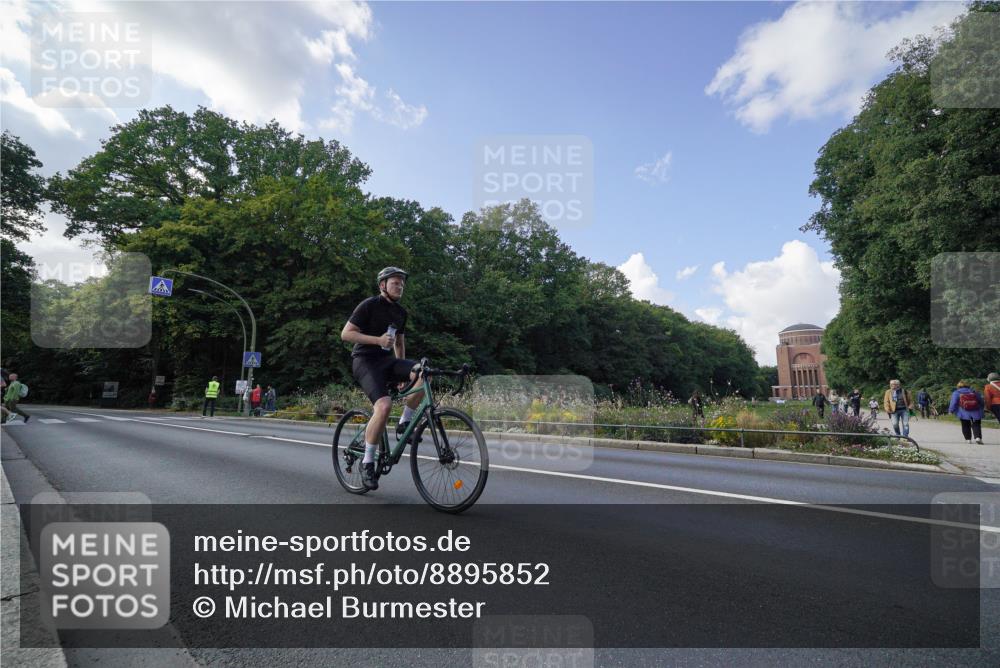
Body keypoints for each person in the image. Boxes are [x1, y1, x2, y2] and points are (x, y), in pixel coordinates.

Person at [340, 267, 424, 491]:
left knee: (423, 372)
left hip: (387, 362)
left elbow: (399, 343)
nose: (400, 286)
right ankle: (367, 462)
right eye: (395, 282)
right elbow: (346, 334)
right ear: (382, 285)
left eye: (402, 284)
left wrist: (403, 374)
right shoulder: (369, 305)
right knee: (384, 406)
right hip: (365, 361)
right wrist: (377, 340)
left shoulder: (401, 312)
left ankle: (404, 422)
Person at [949, 380, 985, 445]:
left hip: (963, 412)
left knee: (965, 425)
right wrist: (981, 407)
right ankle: (978, 437)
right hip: (975, 411)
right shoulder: (974, 391)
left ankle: (968, 439)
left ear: (958, 386)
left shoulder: (956, 392)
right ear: (968, 385)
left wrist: (951, 410)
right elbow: (981, 401)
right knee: (976, 424)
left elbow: (953, 403)